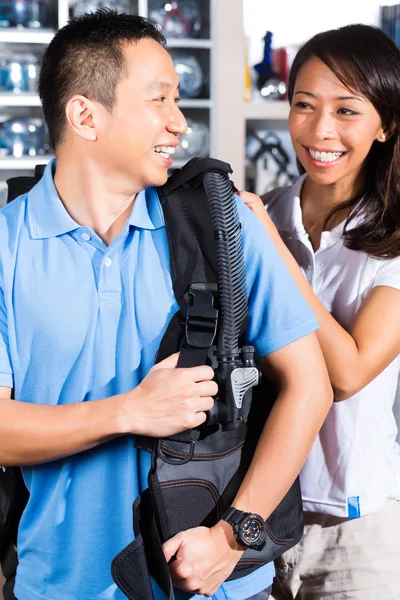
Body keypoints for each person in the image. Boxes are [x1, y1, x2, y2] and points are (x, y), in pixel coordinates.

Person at [0, 10, 333, 600]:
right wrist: (130, 411)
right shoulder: (5, 246)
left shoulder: (222, 227)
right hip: (60, 582)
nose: (179, 122)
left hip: (215, 583)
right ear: (85, 116)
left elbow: (310, 386)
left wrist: (233, 538)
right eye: (159, 99)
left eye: (178, 99)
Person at [240, 23, 400, 600]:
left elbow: (349, 372)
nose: (320, 130)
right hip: (249, 514)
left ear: (385, 124)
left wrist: (272, 250)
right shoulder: (265, 214)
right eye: (304, 106)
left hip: (356, 529)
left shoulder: (393, 239)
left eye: (347, 110)